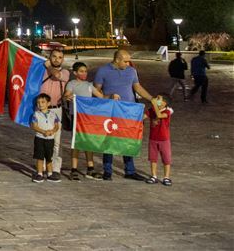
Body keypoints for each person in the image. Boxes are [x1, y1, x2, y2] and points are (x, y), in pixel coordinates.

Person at [92, 49, 156, 180]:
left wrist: (152, 99)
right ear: (117, 60)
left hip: (129, 111)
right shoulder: (103, 71)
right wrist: (108, 97)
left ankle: (130, 171)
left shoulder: (131, 71)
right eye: (125, 61)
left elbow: (137, 87)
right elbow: (95, 90)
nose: (128, 63)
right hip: (111, 111)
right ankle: (107, 170)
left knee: (128, 140)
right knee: (109, 140)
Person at [63, 61, 104, 180]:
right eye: (81, 71)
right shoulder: (72, 84)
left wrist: (112, 96)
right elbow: (66, 95)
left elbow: (101, 97)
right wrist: (68, 97)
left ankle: (90, 169)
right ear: (75, 72)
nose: (84, 73)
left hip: (88, 118)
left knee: (88, 143)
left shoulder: (89, 85)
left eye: (85, 71)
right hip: (76, 117)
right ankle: (73, 169)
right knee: (76, 142)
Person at [39, 48, 69, 175]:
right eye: (54, 56)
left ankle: (56, 168)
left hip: (56, 110)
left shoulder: (66, 72)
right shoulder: (41, 71)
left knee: (56, 141)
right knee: (42, 139)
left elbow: (56, 75)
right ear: (49, 57)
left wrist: (48, 66)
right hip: (41, 110)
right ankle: (44, 167)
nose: (57, 59)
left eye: (60, 57)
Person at [30, 93, 61, 183]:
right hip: (39, 138)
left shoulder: (53, 114)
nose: (40, 104)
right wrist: (43, 132)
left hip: (50, 139)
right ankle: (40, 173)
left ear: (48, 103)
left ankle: (50, 173)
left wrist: (52, 131)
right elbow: (34, 126)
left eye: (43, 102)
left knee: (49, 157)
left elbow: (56, 126)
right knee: (40, 156)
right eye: (38, 102)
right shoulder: (36, 114)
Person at [145, 93, 174, 186]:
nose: (157, 101)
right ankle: (154, 175)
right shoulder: (151, 110)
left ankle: (166, 177)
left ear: (165, 103)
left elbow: (159, 115)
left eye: (159, 99)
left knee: (166, 158)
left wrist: (154, 105)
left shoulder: (167, 112)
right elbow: (143, 117)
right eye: (157, 99)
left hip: (164, 139)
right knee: (153, 158)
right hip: (153, 139)